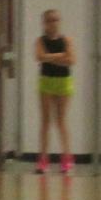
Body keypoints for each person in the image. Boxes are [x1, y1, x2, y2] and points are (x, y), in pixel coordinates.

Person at [34, 10, 75, 176]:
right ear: (44, 23)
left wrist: (50, 57)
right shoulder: (40, 41)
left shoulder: (66, 40)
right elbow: (39, 57)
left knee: (61, 120)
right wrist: (60, 57)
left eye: (56, 20)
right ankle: (43, 159)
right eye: (49, 20)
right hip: (47, 81)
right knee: (45, 121)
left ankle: (66, 158)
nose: (53, 23)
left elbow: (71, 60)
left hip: (63, 82)